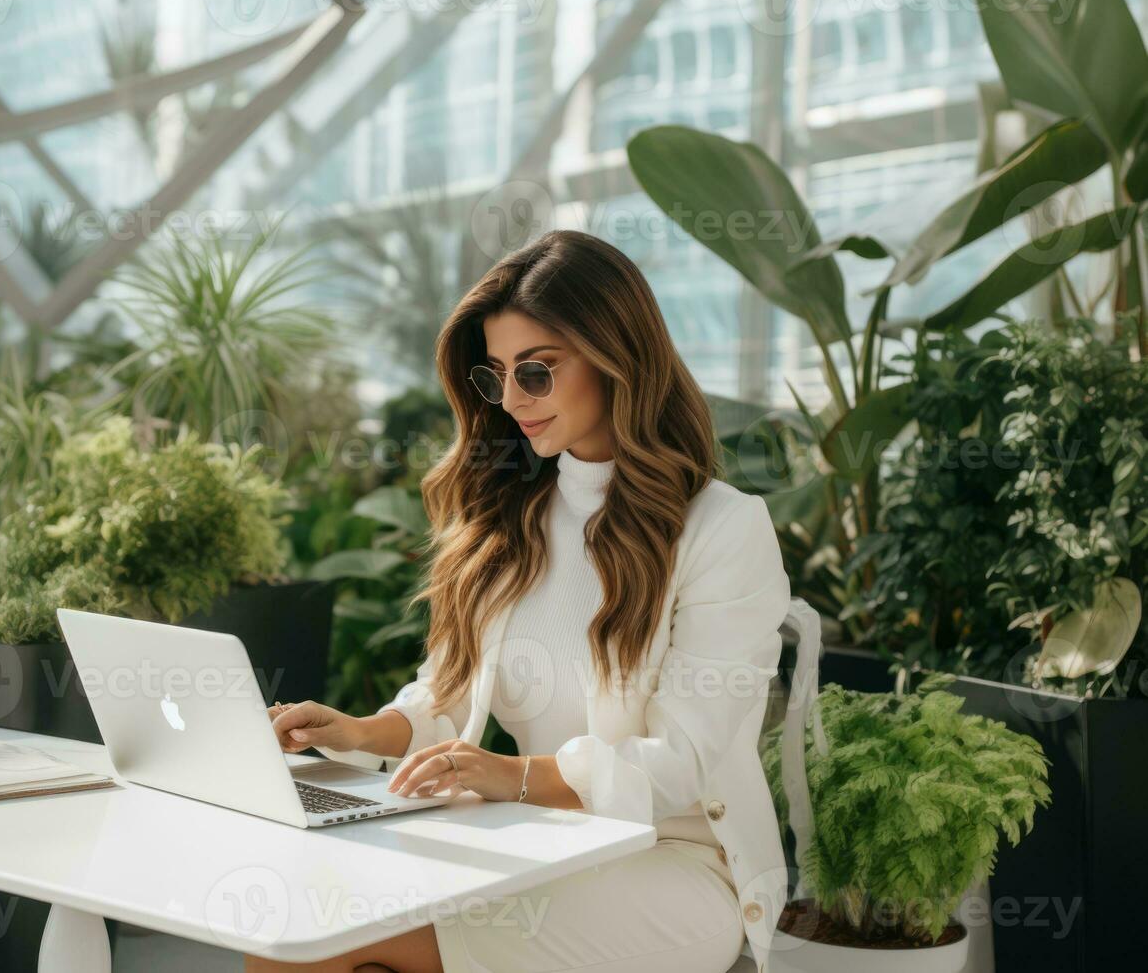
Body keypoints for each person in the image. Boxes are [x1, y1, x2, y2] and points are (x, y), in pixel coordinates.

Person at [248, 229, 791, 973]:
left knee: (320, 945)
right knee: (298, 919)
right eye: (494, 376)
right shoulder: (512, 517)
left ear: (616, 358)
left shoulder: (722, 528)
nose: (508, 401)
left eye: (534, 373)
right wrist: (362, 732)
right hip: (528, 838)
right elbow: (449, 695)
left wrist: (514, 776)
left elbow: (684, 761)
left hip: (668, 861)